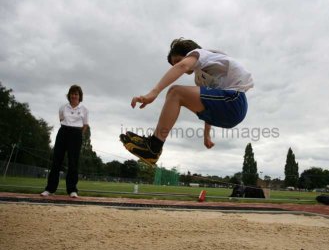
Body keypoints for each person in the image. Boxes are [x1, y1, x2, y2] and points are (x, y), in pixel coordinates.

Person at [120, 38, 253, 165]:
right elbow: (209, 104)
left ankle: (153, 147)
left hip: (235, 100)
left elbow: (183, 66)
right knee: (177, 94)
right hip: (228, 113)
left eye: (177, 61)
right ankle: (154, 147)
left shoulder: (201, 54)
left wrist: (153, 93)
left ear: (188, 53)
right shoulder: (200, 79)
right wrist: (206, 136)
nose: (177, 66)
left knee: (175, 92)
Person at [41, 85, 89, 198]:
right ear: (69, 95)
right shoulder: (63, 107)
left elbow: (85, 125)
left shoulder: (84, 109)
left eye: (76, 94)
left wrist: (78, 135)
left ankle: (72, 190)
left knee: (73, 163)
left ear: (80, 96)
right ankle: (50, 189)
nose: (74, 96)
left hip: (76, 134)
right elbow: (61, 120)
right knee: (56, 160)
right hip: (63, 132)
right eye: (72, 93)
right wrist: (67, 131)